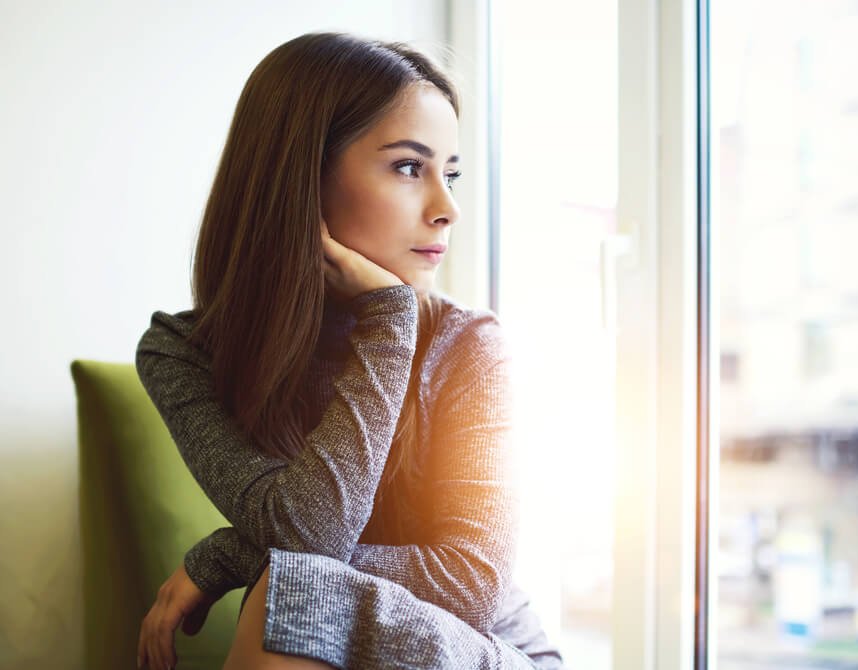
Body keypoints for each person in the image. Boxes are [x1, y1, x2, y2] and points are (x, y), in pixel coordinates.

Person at [132, 32, 564, 670]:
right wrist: (388, 322)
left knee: (289, 588)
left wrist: (229, 553)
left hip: (492, 653)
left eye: (451, 174)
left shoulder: (469, 345)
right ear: (302, 176)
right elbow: (307, 535)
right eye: (409, 167)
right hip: (318, 630)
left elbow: (471, 583)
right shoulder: (182, 352)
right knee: (295, 590)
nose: (448, 208)